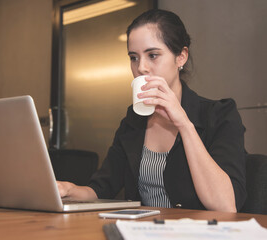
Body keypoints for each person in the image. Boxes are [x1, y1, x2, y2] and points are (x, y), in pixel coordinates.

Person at [57, 9, 246, 212]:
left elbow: (226, 205)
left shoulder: (220, 115)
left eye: (153, 55)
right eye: (134, 57)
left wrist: (184, 124)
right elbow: (101, 189)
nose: (142, 68)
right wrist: (69, 189)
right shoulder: (133, 120)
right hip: (144, 230)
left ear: (181, 57)